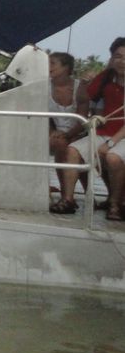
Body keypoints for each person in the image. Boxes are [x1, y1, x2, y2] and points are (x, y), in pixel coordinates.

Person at [60, 38, 125, 220]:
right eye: (118, 56)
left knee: (112, 157)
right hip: (104, 131)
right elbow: (84, 99)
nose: (122, 61)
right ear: (112, 58)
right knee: (72, 150)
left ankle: (115, 204)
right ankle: (68, 200)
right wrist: (83, 83)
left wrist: (111, 143)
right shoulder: (105, 78)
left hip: (120, 135)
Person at [47, 52, 89, 212]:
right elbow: (44, 117)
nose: (48, 67)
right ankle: (66, 196)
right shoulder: (44, 87)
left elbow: (82, 118)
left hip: (78, 131)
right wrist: (53, 131)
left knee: (65, 145)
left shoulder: (80, 88)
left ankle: (68, 196)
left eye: (52, 63)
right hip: (54, 131)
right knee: (60, 144)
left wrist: (70, 134)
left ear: (66, 68)